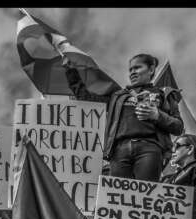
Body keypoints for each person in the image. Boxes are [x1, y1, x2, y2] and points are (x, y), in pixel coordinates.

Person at [68, 53, 183, 181]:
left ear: (151, 70)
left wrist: (157, 115)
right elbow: (86, 98)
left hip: (150, 149)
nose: (132, 72)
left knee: (145, 195)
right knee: (120, 197)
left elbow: (178, 127)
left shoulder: (164, 94)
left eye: (137, 68)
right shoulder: (117, 96)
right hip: (119, 152)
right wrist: (70, 71)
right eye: (130, 70)